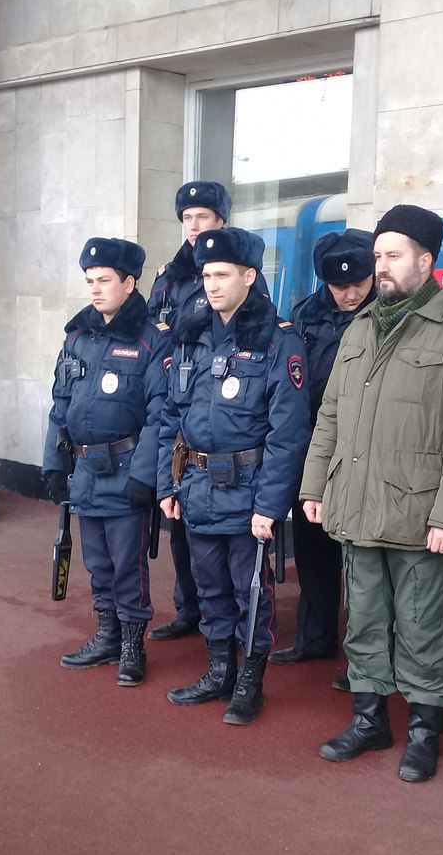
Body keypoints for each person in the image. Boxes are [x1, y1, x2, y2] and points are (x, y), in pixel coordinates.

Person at [299, 204, 443, 783]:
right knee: (362, 619)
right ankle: (369, 720)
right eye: (377, 255)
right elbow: (330, 415)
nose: (378, 266)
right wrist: (315, 486)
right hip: (356, 504)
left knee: (419, 626)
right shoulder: (362, 327)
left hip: (419, 515)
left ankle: (423, 731)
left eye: (391, 255)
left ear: (425, 261)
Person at [156, 227, 309, 725]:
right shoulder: (190, 338)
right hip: (197, 488)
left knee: (251, 592)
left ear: (249, 275)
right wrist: (167, 484)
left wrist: (270, 506)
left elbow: (288, 435)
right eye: (205, 275)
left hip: (247, 495)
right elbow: (169, 418)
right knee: (209, 588)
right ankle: (219, 671)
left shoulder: (277, 342)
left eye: (222, 274)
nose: (212, 284)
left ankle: (249, 681)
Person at [146, 180, 271, 643]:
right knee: (193, 548)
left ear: (221, 219)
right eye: (188, 218)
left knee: (242, 576)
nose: (194, 226)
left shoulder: (242, 280)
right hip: (188, 435)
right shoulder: (169, 279)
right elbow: (160, 338)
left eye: (203, 217)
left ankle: (245, 665)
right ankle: (195, 620)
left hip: (237, 454)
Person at [44, 237, 172, 686]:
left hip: (125, 474)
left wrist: (145, 476)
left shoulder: (152, 341)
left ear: (129, 282)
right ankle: (107, 637)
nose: (95, 290)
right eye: (90, 281)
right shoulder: (77, 338)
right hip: (84, 472)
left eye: (104, 281)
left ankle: (134, 646)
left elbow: (160, 414)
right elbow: (60, 404)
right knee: (97, 562)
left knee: (127, 564)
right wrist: (53, 465)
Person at [268, 229, 375, 666]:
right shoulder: (304, 315)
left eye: (358, 283)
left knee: (366, 561)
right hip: (313, 446)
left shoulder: (388, 312)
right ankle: (314, 638)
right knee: (313, 550)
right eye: (338, 286)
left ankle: (368, 657)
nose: (350, 294)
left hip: (366, 448)